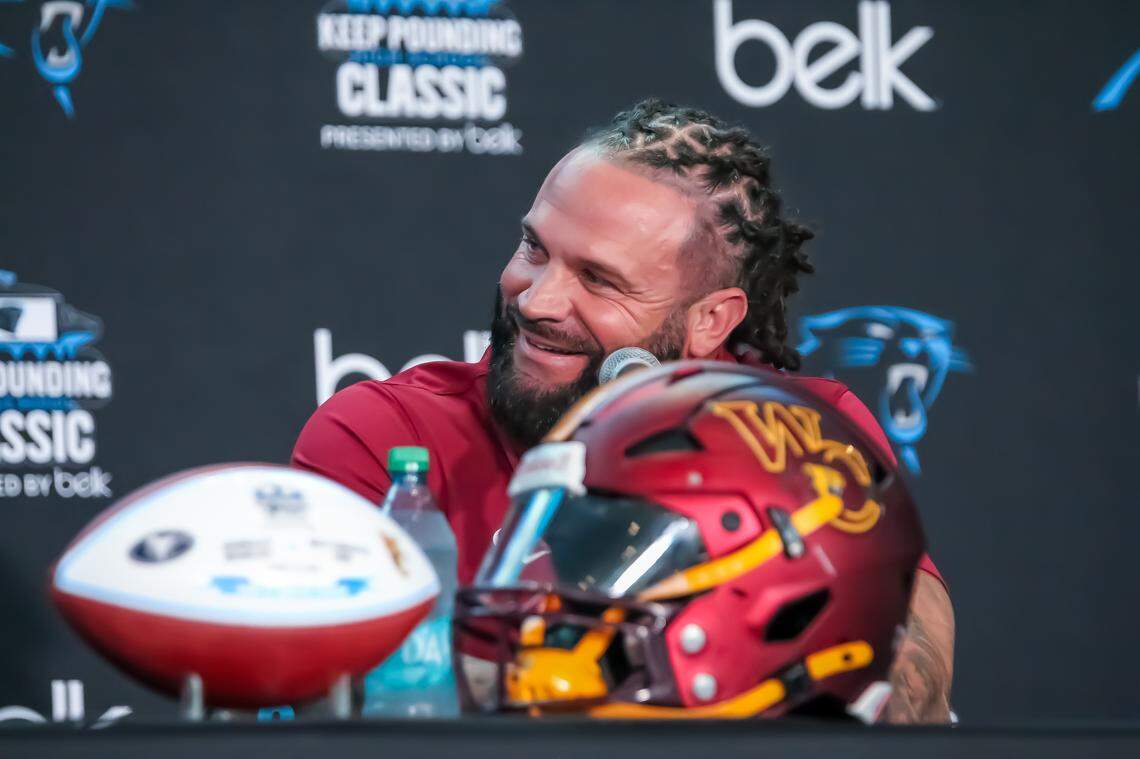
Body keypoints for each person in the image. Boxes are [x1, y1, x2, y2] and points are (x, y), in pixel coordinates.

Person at [293, 99, 954, 724]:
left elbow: (914, 682)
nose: (538, 300)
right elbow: (345, 703)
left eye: (599, 279)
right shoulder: (385, 435)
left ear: (710, 319)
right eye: (534, 249)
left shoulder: (801, 433)